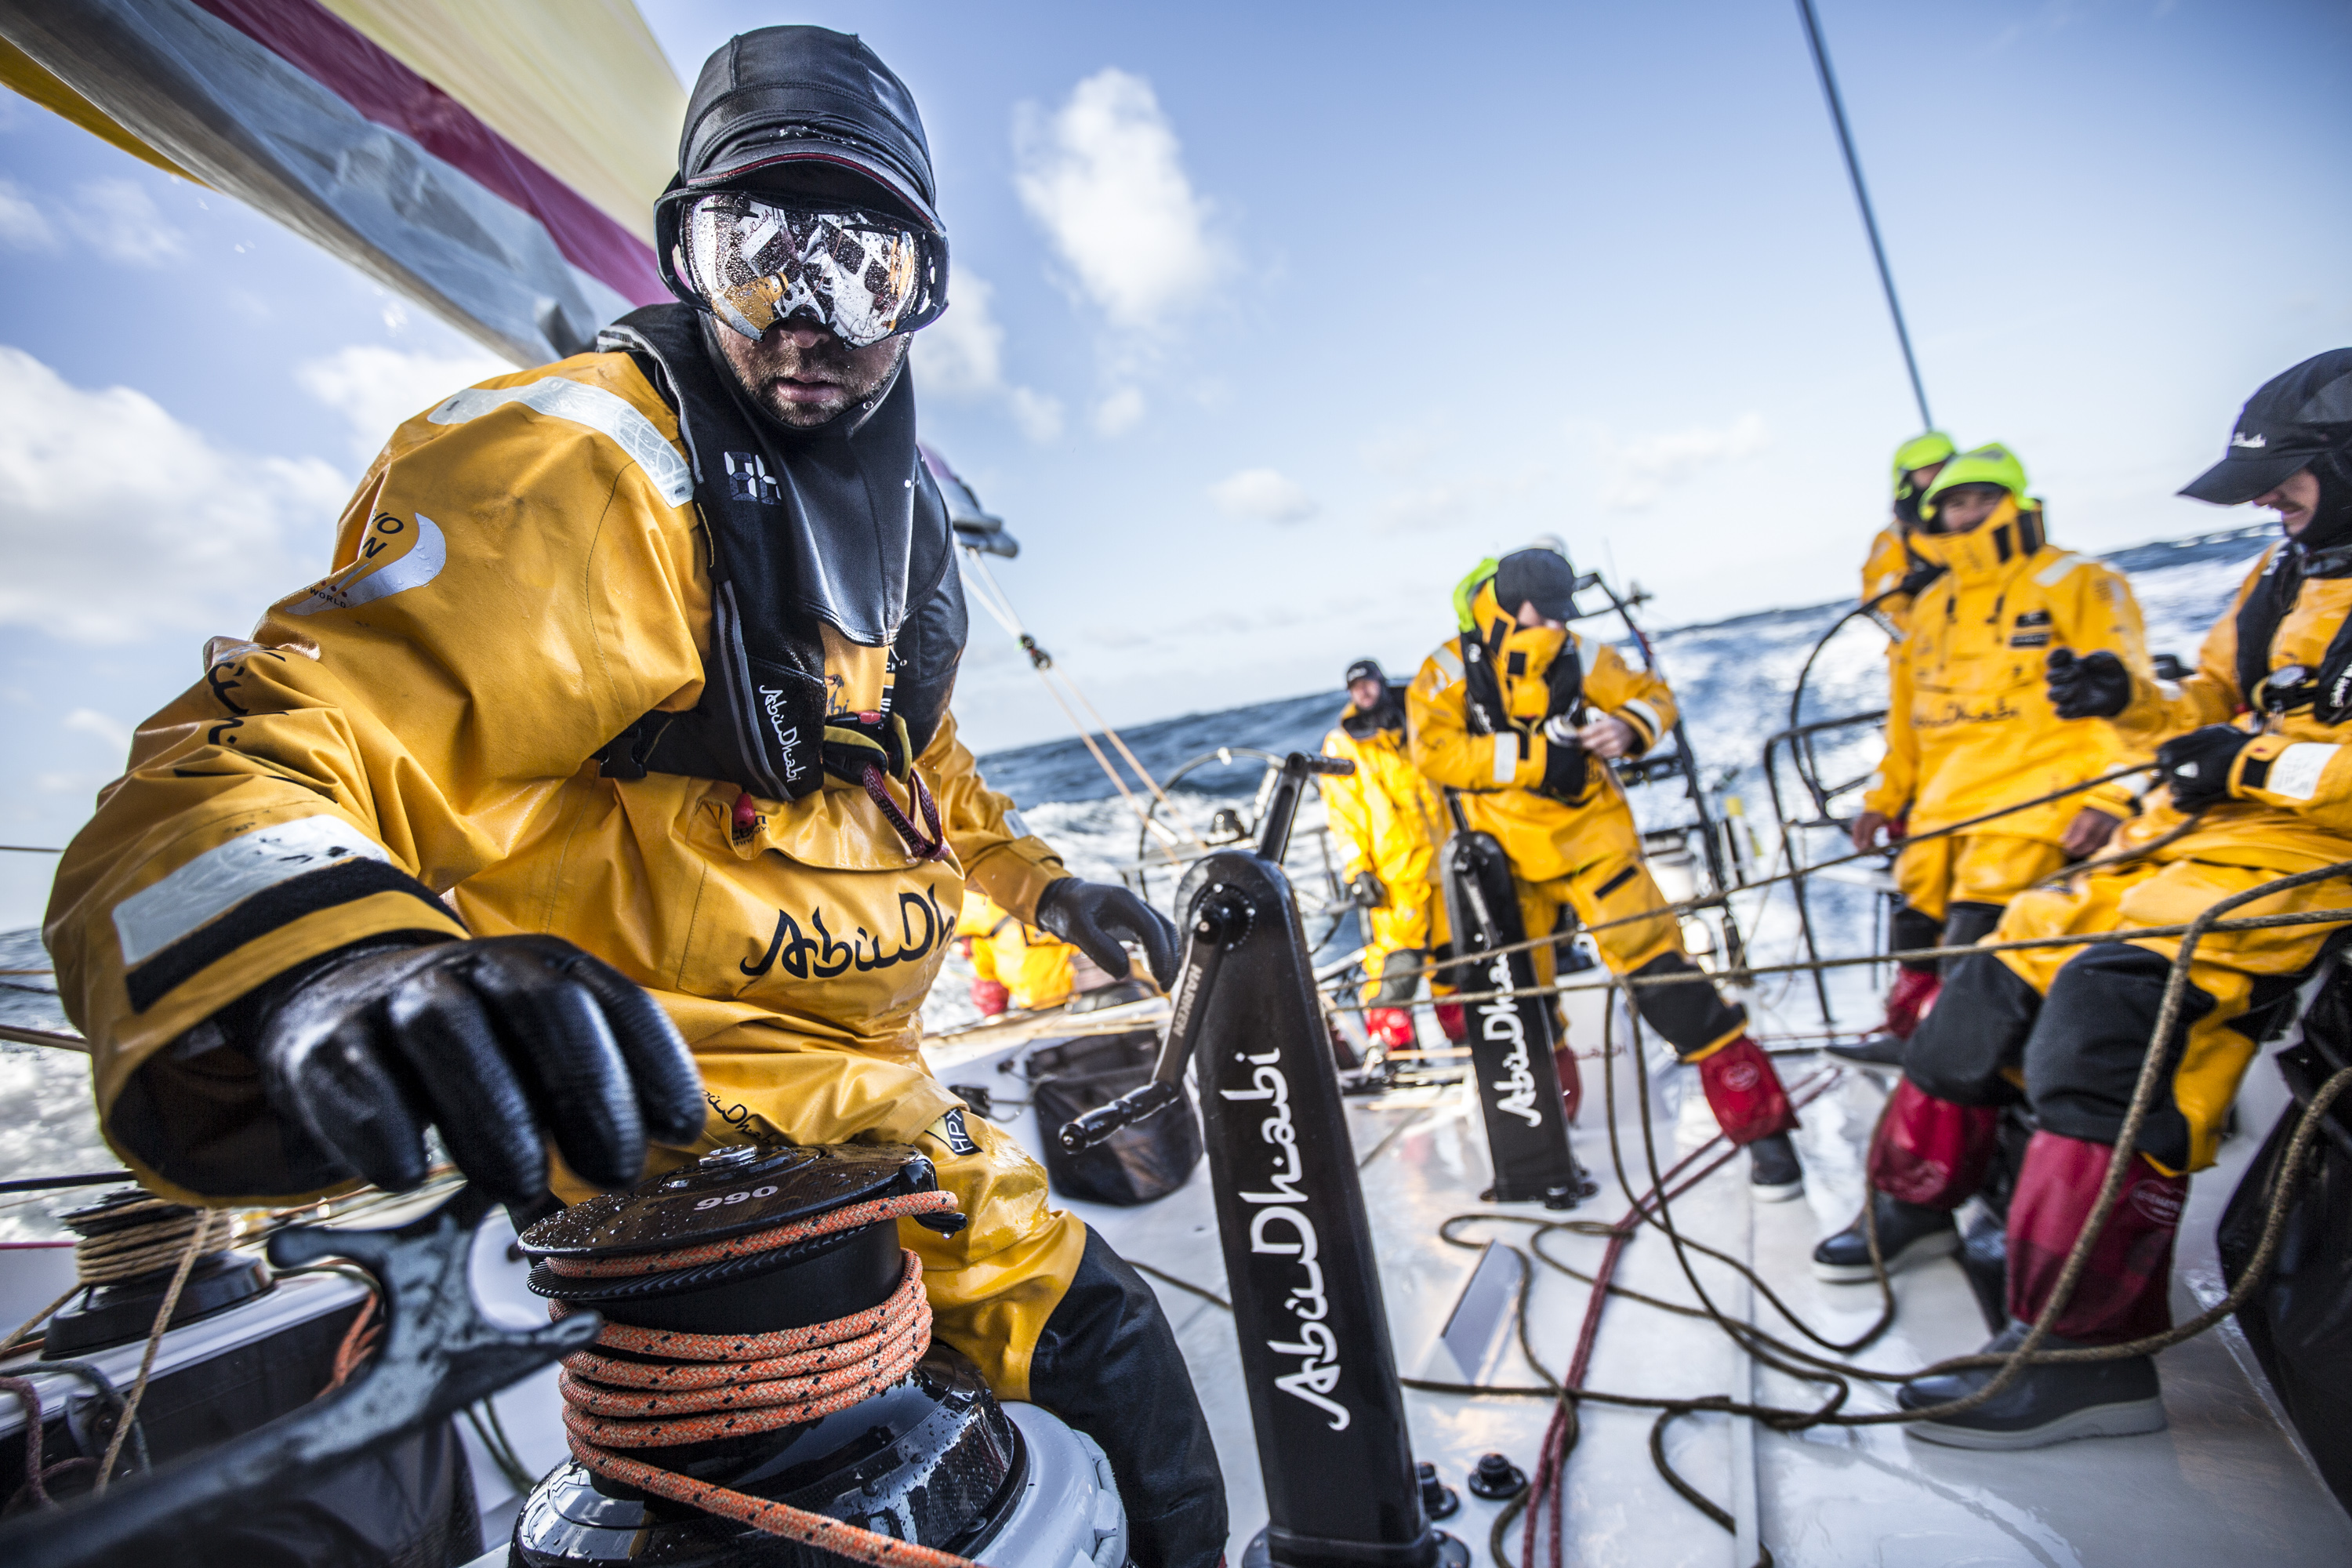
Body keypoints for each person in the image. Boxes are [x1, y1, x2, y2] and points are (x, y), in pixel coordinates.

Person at [42, 27, 1223, 1563]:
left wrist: (1044, 887)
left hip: (891, 1113)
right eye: (758, 254)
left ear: (926, 291)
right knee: (1056, 1387)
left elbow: (915, 768)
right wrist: (324, 964)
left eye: (862, 266)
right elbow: (271, 745)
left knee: (1131, 1395)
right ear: (684, 255)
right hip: (686, 1139)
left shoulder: (893, 534)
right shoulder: (585, 473)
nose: (809, 315)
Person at [1814, 349, 2352, 1450]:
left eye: (2285, 480)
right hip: (2192, 839)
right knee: (1999, 966)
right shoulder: (2287, 572)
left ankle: (2088, 1353)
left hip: (2307, 861)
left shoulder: (2090, 580)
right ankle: (1911, 1201)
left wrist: (2239, 768)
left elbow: (2281, 760)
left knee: (2108, 1014)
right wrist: (2134, 700)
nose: (2265, 504)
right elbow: (2210, 701)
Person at [1408, 544, 1807, 1198]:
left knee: (1662, 972)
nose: (1561, 625)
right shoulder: (1444, 671)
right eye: (1548, 614)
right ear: (1510, 607)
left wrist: (1628, 727)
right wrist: (1540, 759)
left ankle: (1764, 1133)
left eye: (1567, 613)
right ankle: (1543, 1138)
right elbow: (1437, 754)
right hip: (1507, 859)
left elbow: (1654, 695)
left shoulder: (1583, 655)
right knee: (1520, 1004)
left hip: (1594, 839)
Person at [1835, 444, 2150, 1065]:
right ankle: (1917, 1041)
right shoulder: (1927, 607)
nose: (1971, 513)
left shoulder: (2081, 582)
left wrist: (2113, 796)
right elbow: (1909, 725)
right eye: (1955, 502)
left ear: (2018, 501)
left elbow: (2130, 700)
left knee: (1978, 952)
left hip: (2034, 809)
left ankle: (1982, 1084)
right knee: (1916, 927)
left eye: (1985, 497)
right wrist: (1884, 800)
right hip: (1941, 816)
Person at [1319, 658, 1448, 1052]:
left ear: (1381, 682)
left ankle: (1470, 1040)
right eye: (1354, 687)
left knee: (1454, 957)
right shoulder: (1343, 744)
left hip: (1443, 862)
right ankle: (1395, 1052)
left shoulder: (1416, 721)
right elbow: (1342, 814)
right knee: (1399, 960)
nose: (1363, 692)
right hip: (1395, 872)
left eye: (1368, 683)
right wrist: (1358, 869)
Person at [1860, 430, 1957, 637]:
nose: (1937, 476)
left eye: (1943, 466)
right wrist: (1908, 583)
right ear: (1906, 480)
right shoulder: (1893, 538)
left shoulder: (1977, 520)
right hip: (1923, 651)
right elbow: (1872, 597)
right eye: (1927, 469)